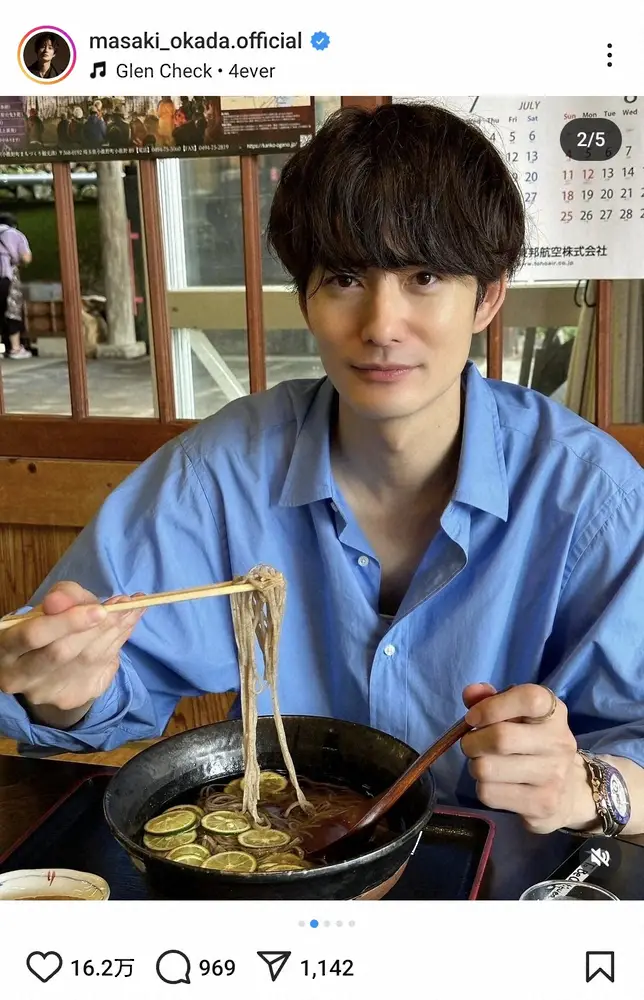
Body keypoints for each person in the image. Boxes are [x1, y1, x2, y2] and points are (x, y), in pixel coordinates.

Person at [1, 103, 643, 839]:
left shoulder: (589, 494)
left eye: (425, 276)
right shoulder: (221, 474)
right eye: (343, 277)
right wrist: (63, 693)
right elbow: (87, 695)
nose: (380, 325)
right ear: (306, 297)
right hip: (290, 867)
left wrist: (586, 788)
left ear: (488, 296)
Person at [0, 212, 32, 359]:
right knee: (12, 310)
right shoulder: (16, 234)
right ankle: (15, 348)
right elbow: (26, 258)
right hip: (6, 276)